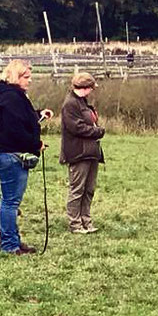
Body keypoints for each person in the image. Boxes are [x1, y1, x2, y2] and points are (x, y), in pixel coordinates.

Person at [0, 59, 53, 255]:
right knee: (10, 202)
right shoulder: (12, 99)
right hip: (7, 154)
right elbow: (15, 130)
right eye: (26, 77)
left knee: (11, 201)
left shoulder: (12, 96)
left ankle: (13, 240)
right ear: (15, 76)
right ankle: (9, 245)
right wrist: (35, 145)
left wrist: (39, 114)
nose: (29, 80)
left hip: (7, 152)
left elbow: (23, 120)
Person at [59, 72, 105, 234]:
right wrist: (97, 131)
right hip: (78, 153)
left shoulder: (82, 102)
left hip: (91, 152)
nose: (92, 91)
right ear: (85, 87)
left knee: (89, 189)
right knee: (77, 189)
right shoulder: (70, 104)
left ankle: (87, 220)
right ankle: (75, 224)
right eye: (91, 88)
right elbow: (76, 127)